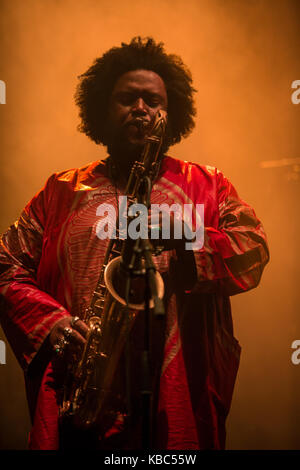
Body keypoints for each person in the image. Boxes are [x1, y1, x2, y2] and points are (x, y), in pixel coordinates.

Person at [0, 37, 269, 450]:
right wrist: (53, 324)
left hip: (174, 402)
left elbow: (253, 248)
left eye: (153, 101)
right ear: (102, 110)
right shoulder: (59, 191)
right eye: (127, 98)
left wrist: (182, 235)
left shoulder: (210, 185)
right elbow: (6, 267)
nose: (141, 110)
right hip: (82, 393)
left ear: (171, 112)